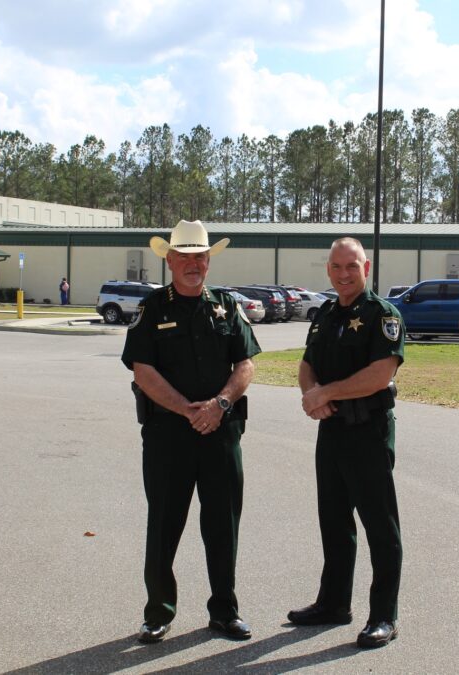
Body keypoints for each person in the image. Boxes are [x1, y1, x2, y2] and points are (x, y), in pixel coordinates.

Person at [121, 219, 261, 644]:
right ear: (169, 260)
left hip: (220, 434)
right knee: (164, 525)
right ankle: (158, 612)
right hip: (168, 437)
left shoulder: (226, 305)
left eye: (200, 256)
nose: (194, 264)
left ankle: (225, 611)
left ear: (208, 261)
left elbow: (246, 364)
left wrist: (219, 405)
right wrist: (186, 410)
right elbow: (143, 370)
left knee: (223, 526)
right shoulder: (153, 308)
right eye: (184, 256)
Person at [288, 237, 405, 649]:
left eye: (351, 266)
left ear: (366, 268)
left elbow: (379, 374)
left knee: (379, 525)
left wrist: (326, 393)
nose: (343, 274)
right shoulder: (324, 315)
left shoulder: (382, 315)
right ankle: (334, 603)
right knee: (334, 521)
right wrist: (312, 395)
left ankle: (383, 616)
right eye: (336, 267)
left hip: (368, 432)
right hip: (332, 431)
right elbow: (306, 365)